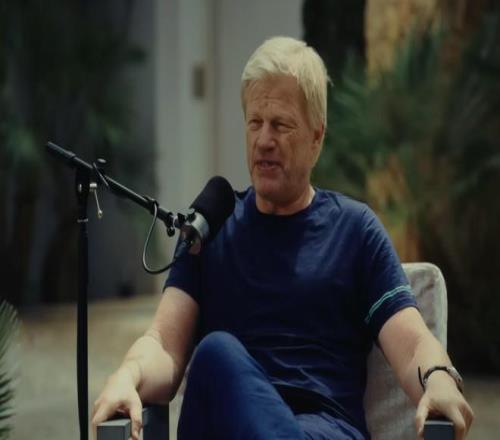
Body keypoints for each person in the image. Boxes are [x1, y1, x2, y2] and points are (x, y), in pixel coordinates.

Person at [92, 36, 473, 440]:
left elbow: (413, 345)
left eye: (281, 125)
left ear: (316, 138)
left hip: (323, 431)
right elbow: (163, 345)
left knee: (217, 353)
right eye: (254, 123)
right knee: (216, 356)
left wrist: (439, 379)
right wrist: (127, 376)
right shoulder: (208, 228)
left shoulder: (355, 231)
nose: (264, 140)